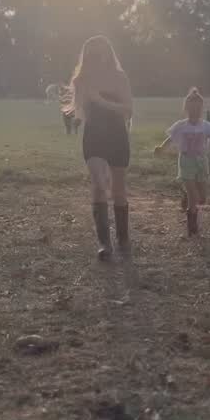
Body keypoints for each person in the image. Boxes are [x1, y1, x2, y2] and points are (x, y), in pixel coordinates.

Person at [67, 36, 133, 259]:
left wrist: (101, 100)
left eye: (102, 51)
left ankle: (123, 239)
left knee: (118, 190)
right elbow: (80, 110)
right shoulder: (83, 79)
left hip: (117, 136)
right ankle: (104, 244)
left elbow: (128, 110)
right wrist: (79, 114)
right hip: (94, 136)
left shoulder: (119, 77)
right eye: (93, 52)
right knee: (98, 182)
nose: (98, 56)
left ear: (108, 52)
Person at [154, 87, 210, 236]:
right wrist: (161, 148)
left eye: (198, 108)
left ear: (201, 109)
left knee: (202, 199)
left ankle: (186, 196)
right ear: (186, 109)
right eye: (192, 108)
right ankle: (192, 228)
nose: (195, 111)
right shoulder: (181, 126)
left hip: (201, 163)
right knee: (194, 196)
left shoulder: (206, 126)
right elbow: (171, 138)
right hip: (186, 162)